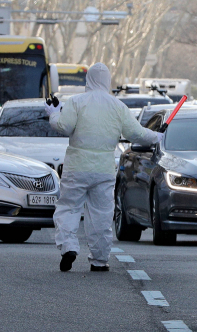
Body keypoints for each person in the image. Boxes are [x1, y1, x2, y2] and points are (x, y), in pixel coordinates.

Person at [46, 63, 163, 272]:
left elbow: (63, 126)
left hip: (77, 167)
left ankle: (69, 247)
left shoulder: (76, 102)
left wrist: (53, 113)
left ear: (88, 80)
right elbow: (137, 133)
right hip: (103, 169)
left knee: (69, 208)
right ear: (108, 80)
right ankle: (99, 260)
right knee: (101, 213)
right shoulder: (118, 107)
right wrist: (158, 136)